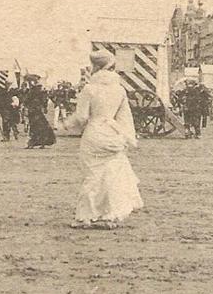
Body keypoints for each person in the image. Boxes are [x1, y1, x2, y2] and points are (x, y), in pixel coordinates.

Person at [61, 51, 143, 229]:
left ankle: (86, 216)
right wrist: (126, 137)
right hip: (112, 134)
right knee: (111, 176)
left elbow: (81, 117)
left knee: (92, 175)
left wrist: (67, 124)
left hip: (94, 134)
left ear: (95, 67)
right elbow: (124, 117)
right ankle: (109, 215)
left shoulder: (89, 89)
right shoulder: (119, 89)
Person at [23, 75, 56, 148]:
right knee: (38, 126)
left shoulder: (36, 90)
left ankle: (34, 143)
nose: (28, 83)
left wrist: (43, 107)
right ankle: (39, 142)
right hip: (33, 110)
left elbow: (43, 100)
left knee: (36, 126)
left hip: (36, 110)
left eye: (29, 82)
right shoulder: (33, 90)